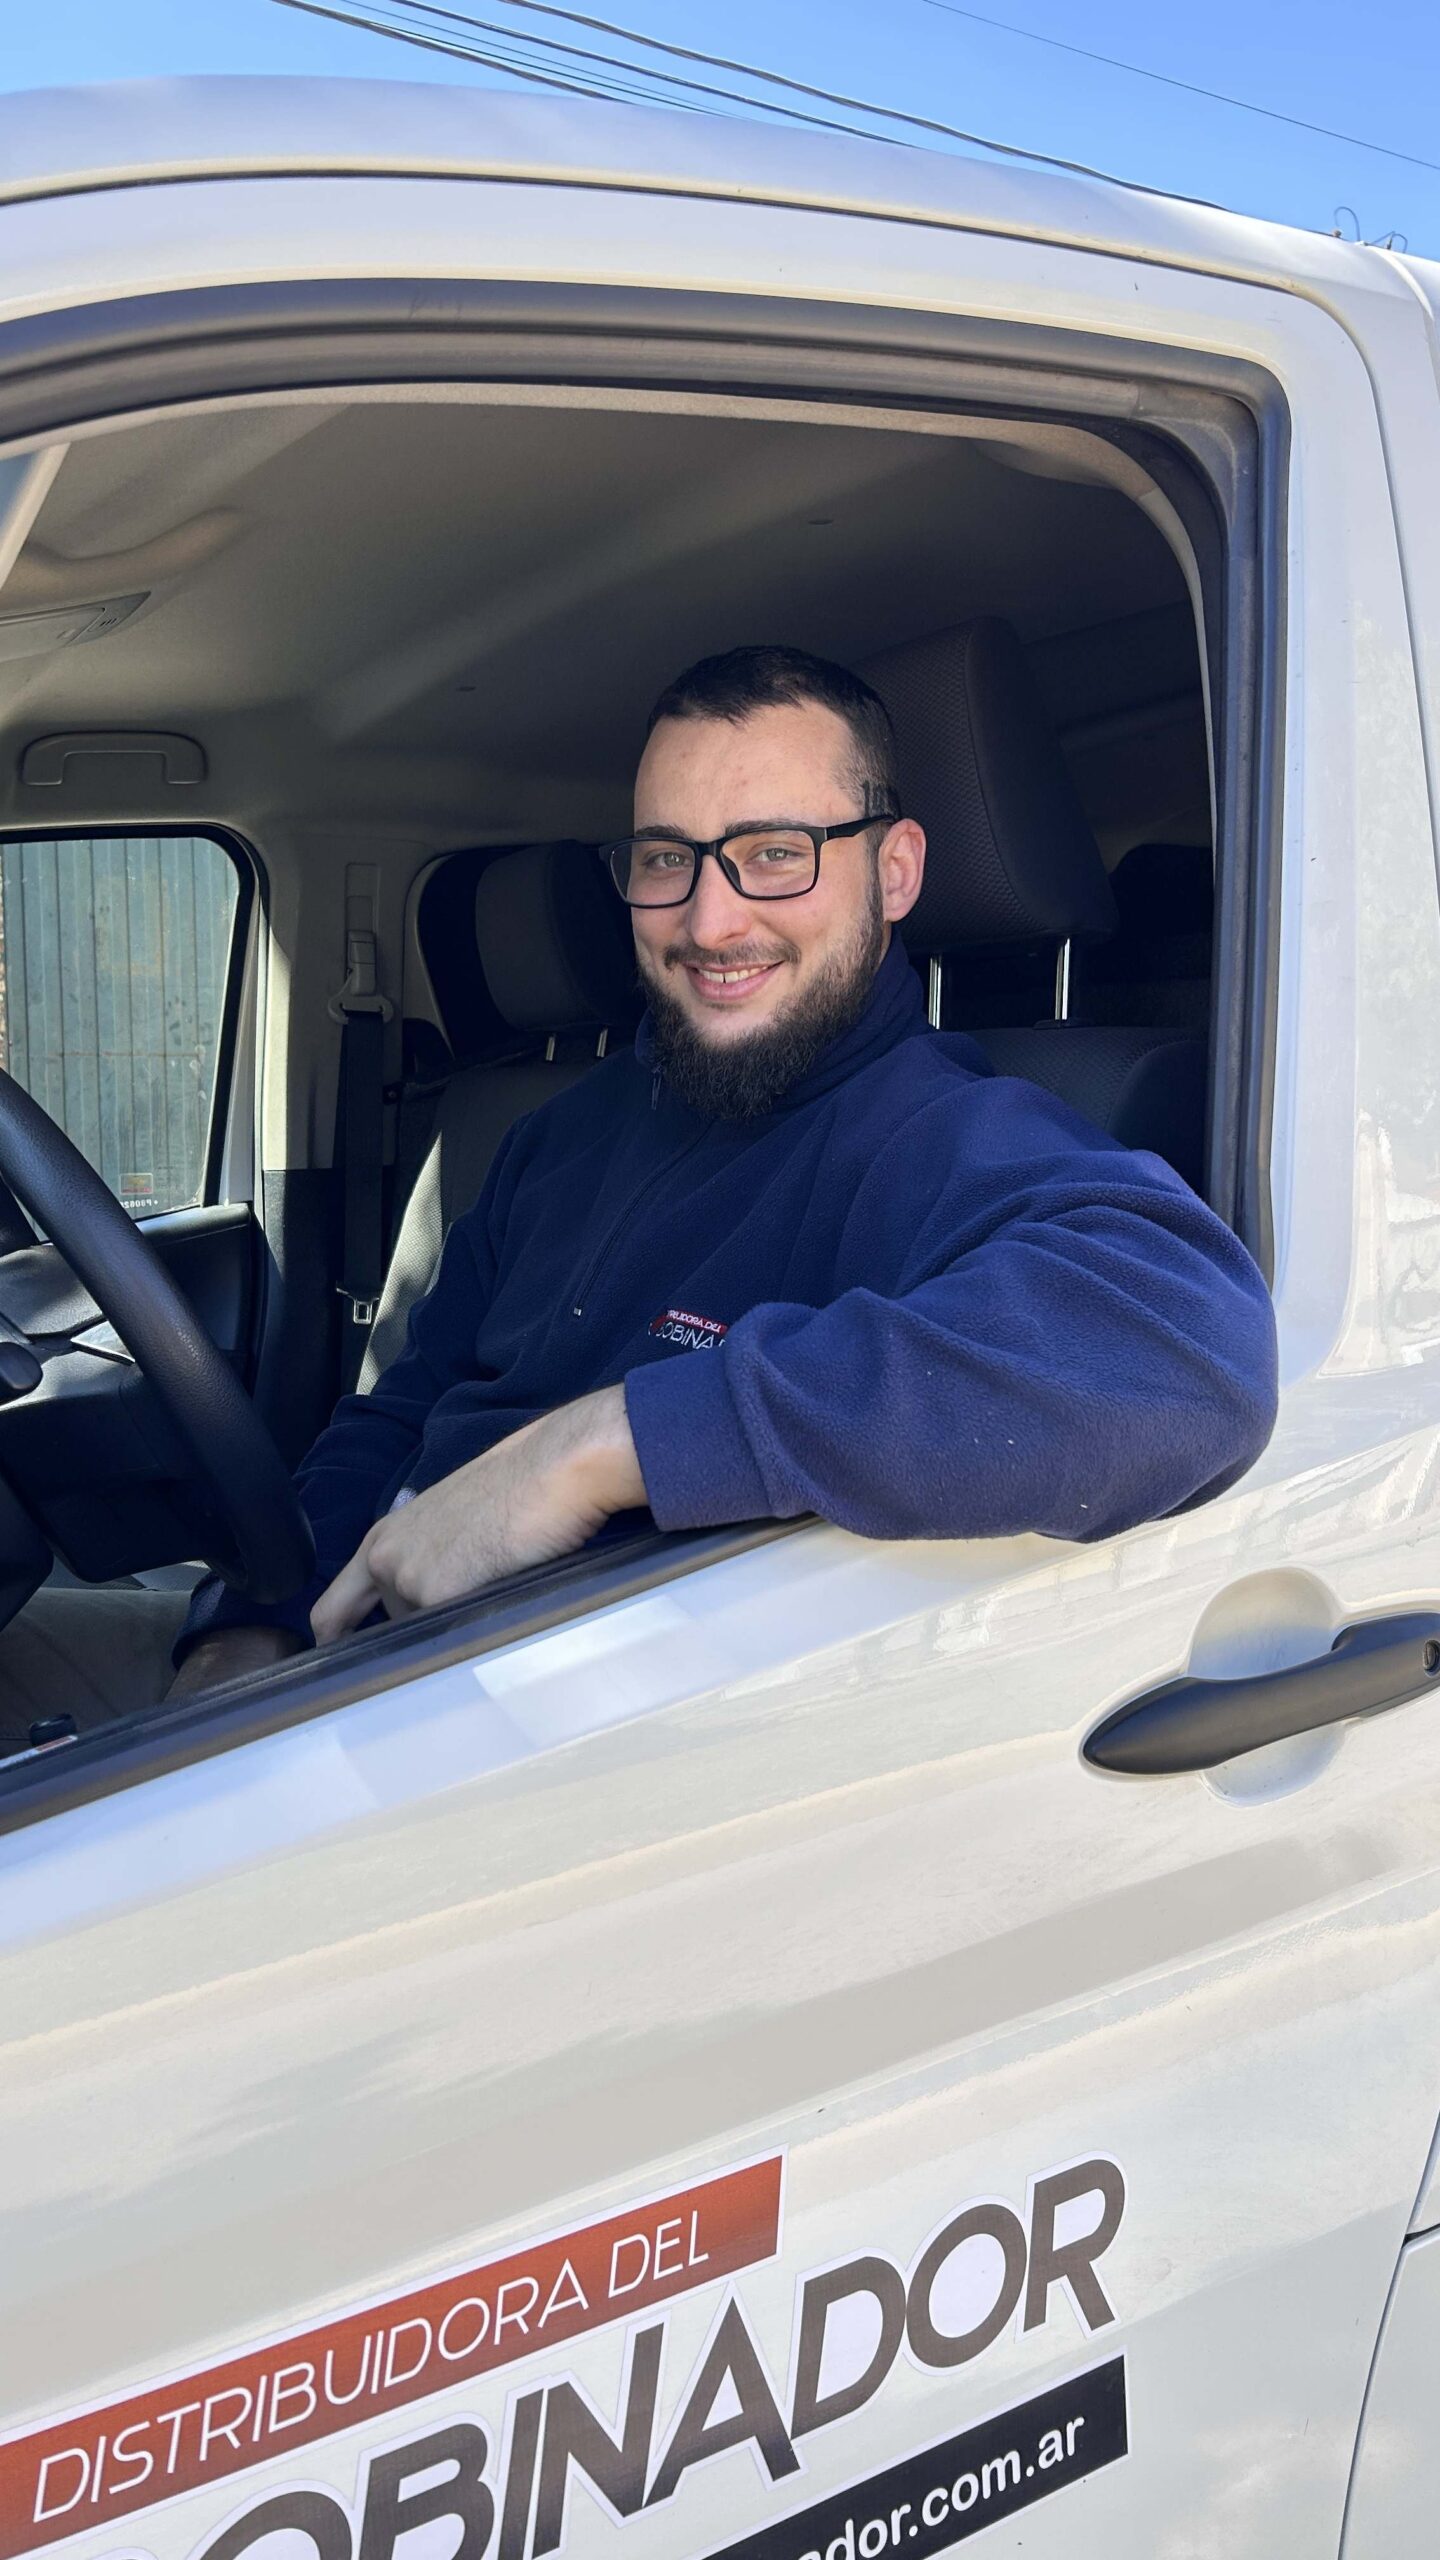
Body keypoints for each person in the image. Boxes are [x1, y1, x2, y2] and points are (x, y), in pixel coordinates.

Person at [0, 646, 1279, 1728]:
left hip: (540, 1746)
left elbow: (1188, 1349)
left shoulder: (941, 1137)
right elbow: (402, 1411)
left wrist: (601, 1445)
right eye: (667, 859)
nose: (709, 921)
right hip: (342, 1666)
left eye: (775, 852)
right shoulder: (560, 1135)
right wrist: (250, 1626)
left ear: (894, 871)